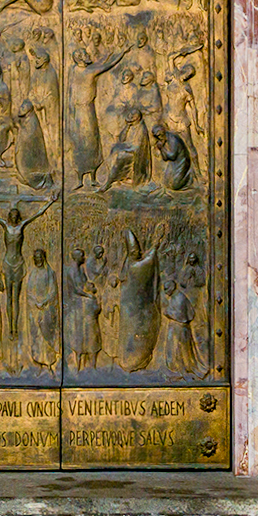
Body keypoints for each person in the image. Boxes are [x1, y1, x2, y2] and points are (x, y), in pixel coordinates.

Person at [0, 191, 59, 340]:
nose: (14, 217)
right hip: (8, 264)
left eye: (16, 215)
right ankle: (9, 328)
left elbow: (37, 214)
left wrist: (51, 201)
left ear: (18, 217)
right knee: (9, 297)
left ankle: (14, 328)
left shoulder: (21, 226)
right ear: (9, 216)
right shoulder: (5, 226)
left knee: (16, 298)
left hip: (18, 263)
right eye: (12, 215)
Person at [65, 45, 130, 189]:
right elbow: (106, 65)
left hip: (85, 110)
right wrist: (120, 52)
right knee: (83, 143)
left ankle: (92, 177)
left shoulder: (78, 70)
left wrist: (112, 53)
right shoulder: (84, 71)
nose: (87, 54)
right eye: (84, 53)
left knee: (90, 142)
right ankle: (80, 178)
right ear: (79, 59)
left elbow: (101, 64)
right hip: (81, 111)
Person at [117, 225, 166, 372]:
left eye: (138, 251)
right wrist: (155, 245)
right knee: (132, 336)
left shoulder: (129, 266)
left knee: (139, 336)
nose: (138, 252)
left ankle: (139, 361)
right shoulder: (133, 267)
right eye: (134, 252)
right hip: (132, 311)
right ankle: (131, 361)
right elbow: (146, 263)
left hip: (137, 310)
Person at [24, 248, 59, 373]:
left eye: (39, 258)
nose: (37, 260)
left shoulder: (49, 273)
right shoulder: (33, 273)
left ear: (43, 258)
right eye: (36, 258)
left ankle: (49, 363)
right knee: (36, 336)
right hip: (35, 309)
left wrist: (45, 301)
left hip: (47, 308)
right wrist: (35, 302)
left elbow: (53, 290)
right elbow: (29, 291)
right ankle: (38, 363)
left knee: (47, 335)